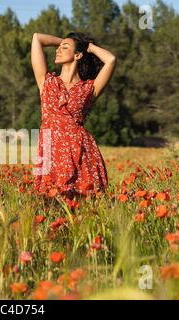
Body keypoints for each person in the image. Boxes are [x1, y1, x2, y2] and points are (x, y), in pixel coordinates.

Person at [30, 32, 117, 200]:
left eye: (65, 47)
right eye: (58, 47)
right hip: (50, 151)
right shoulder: (47, 82)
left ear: (78, 55)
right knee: (50, 206)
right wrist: (64, 41)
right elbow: (37, 38)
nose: (58, 50)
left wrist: (88, 47)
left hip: (82, 153)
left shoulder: (89, 89)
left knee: (85, 208)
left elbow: (111, 60)